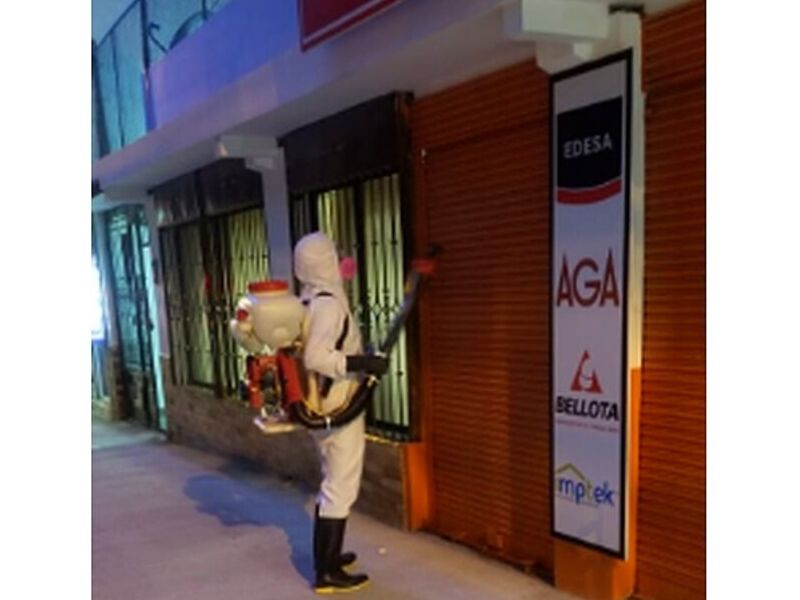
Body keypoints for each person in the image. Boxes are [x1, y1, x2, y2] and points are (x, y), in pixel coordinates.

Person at [293, 231, 388, 594]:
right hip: (338, 402)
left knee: (331, 480)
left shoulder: (308, 300)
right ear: (326, 263)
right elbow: (316, 357)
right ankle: (327, 572)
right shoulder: (328, 304)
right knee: (341, 485)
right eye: (334, 255)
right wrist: (363, 363)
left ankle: (329, 558)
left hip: (321, 401)